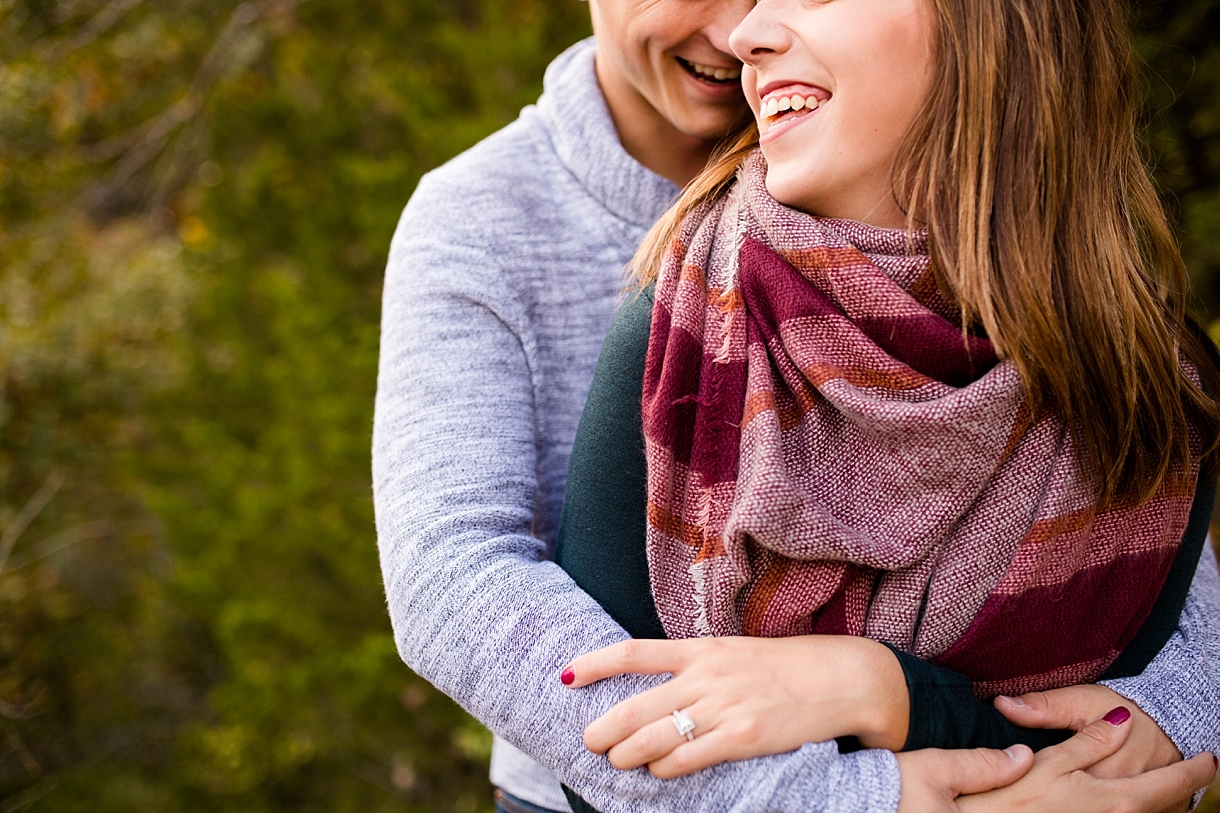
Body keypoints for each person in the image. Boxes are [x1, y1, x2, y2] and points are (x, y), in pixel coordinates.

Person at [371, 1, 1220, 811]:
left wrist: (1164, 719)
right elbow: (452, 570)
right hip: (613, 780)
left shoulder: (876, 136)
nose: (739, 30)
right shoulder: (506, 226)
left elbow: (1146, 540)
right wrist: (866, 794)